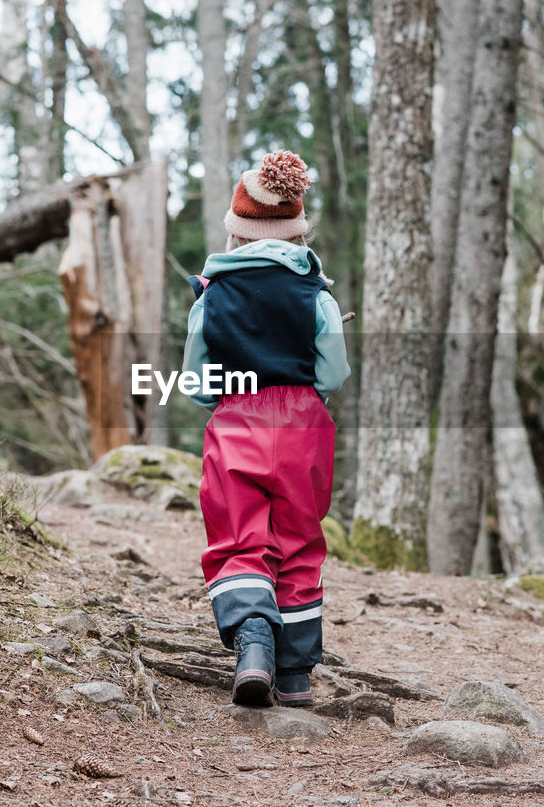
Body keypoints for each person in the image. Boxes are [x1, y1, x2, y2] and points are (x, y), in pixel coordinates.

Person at [182, 150, 350, 707]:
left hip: (237, 418)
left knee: (238, 537)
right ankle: (298, 675)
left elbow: (196, 380)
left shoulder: (213, 296)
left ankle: (254, 647)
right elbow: (334, 372)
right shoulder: (315, 294)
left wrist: (224, 394)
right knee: (300, 539)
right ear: (297, 232)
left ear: (236, 234)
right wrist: (304, 391)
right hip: (304, 423)